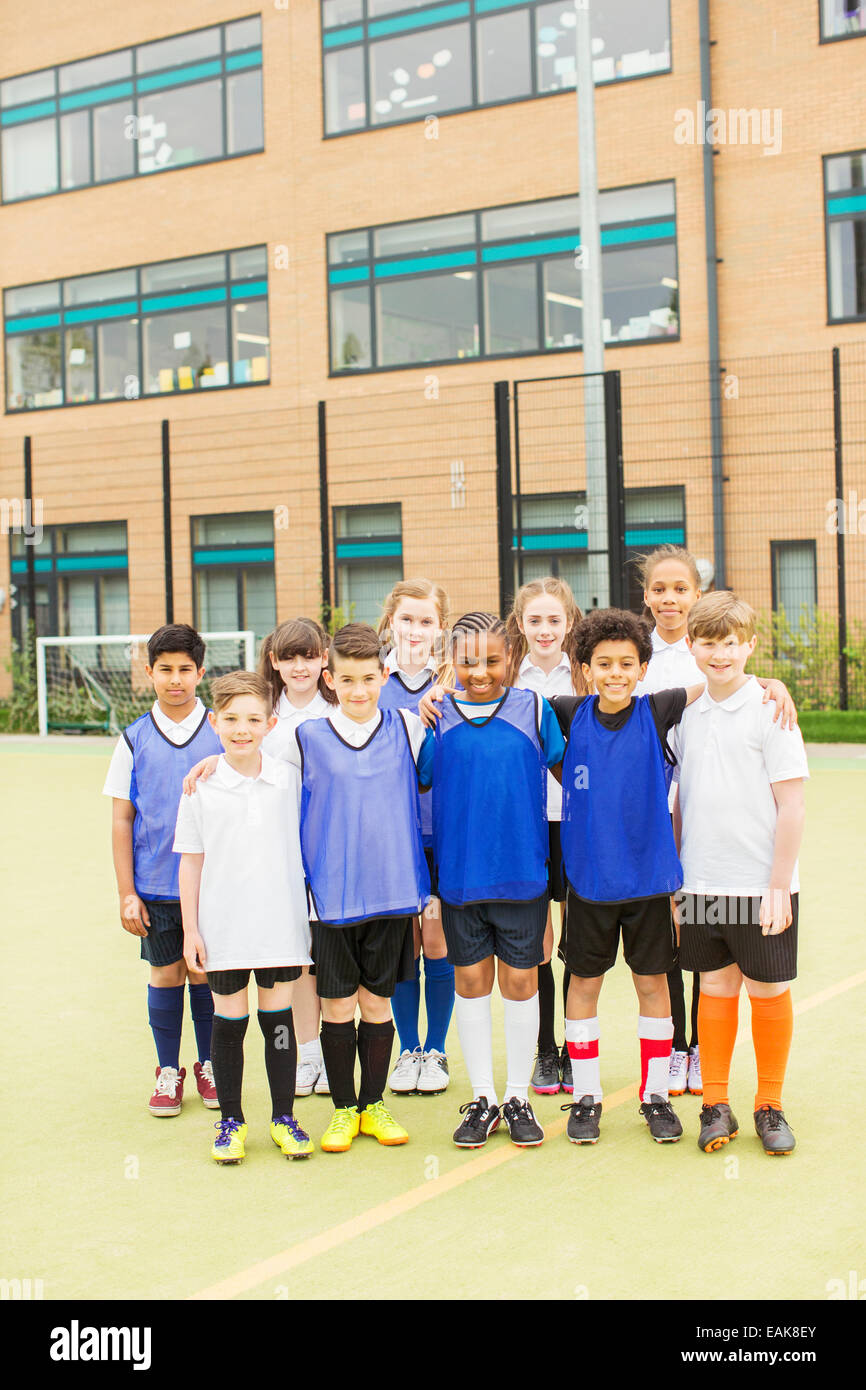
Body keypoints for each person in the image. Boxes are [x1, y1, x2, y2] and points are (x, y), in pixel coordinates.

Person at [553, 608, 701, 1146]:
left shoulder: (658, 710)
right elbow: (507, 706)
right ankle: (586, 1096)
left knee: (652, 983)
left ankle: (655, 1094)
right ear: (586, 667)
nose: (615, 672)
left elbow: (717, 680)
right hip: (590, 883)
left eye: (626, 663)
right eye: (603, 663)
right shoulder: (566, 713)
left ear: (643, 668)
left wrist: (768, 682)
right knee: (584, 984)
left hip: (649, 881)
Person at [420, 612, 566, 1149]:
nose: (480, 671)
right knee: (472, 985)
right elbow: (419, 778)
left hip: (523, 877)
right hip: (460, 880)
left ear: (513, 657)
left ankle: (518, 1096)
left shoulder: (533, 708)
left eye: (492, 660)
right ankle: (482, 1097)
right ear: (450, 661)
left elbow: (570, 770)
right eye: (467, 661)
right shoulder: (435, 717)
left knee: (521, 984)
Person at [670, 593, 808, 1156]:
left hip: (761, 887)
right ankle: (715, 1104)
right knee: (715, 986)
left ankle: (769, 1104)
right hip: (701, 882)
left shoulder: (772, 709)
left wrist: (778, 884)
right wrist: (677, 882)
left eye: (731, 642)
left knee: (767, 988)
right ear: (691, 646)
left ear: (749, 644)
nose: (720, 653)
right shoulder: (683, 716)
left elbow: (792, 805)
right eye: (709, 642)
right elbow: (679, 805)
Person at [296, 623, 432, 1153]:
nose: (358, 690)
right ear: (329, 679)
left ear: (384, 676)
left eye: (369, 678)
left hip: (392, 892)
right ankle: (342, 1110)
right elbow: (256, 766)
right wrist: (214, 760)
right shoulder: (304, 736)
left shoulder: (408, 725)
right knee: (336, 1008)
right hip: (329, 899)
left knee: (377, 1006)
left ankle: (373, 1106)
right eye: (347, 679)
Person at [175, 671, 313, 1164]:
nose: (241, 729)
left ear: (270, 724)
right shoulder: (200, 786)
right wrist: (191, 930)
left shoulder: (289, 779)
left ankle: (283, 1117)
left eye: (253, 719)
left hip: (279, 924)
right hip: (223, 928)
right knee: (229, 1024)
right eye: (231, 719)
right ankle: (230, 1121)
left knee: (278, 1022)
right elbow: (190, 862)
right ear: (213, 722)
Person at [103, 623, 223, 1117]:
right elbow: (121, 819)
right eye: (165, 669)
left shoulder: (221, 728)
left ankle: (209, 1064)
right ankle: (167, 1070)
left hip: (213, 884)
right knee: (166, 972)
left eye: (185, 670)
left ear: (200, 673)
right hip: (155, 884)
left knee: (206, 976)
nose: (176, 679)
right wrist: (126, 892)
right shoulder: (133, 739)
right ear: (149, 671)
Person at [505, 576, 587, 1098]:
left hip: (578, 823)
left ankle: (577, 1049)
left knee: (578, 944)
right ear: (519, 625)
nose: (544, 629)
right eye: (534, 620)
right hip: (525, 825)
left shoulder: (588, 674)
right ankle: (544, 1050)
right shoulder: (505, 676)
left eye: (554, 620)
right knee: (536, 945)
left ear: (569, 623)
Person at [376, 580, 456, 1099]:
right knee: (404, 941)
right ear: (390, 624)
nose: (415, 630)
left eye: (426, 622)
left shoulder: (455, 683)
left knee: (436, 938)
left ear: (440, 631)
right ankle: (408, 1049)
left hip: (443, 833)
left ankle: (437, 1048)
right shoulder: (367, 682)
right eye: (407, 620)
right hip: (390, 837)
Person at [259, 618, 336, 1098]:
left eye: (309, 655)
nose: (300, 666)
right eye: (290, 657)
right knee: (301, 961)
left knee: (333, 956)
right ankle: (308, 1055)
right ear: (274, 662)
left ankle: (335, 1055)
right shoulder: (265, 717)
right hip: (282, 855)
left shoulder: (340, 709)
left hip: (334, 851)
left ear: (325, 658)